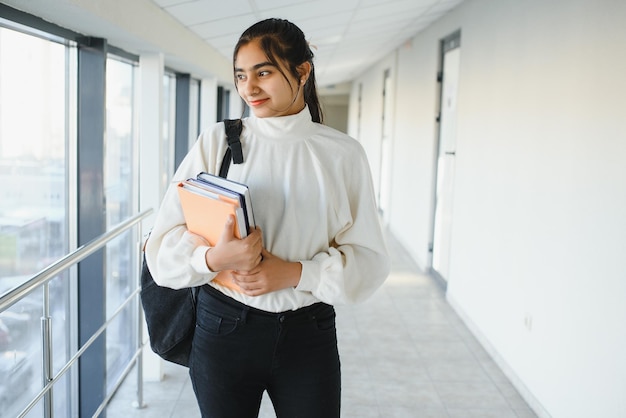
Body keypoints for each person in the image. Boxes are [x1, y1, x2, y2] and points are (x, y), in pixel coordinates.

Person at [145, 17, 390, 418]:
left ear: (302, 70)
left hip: (307, 335)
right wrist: (213, 259)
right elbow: (163, 241)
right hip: (223, 329)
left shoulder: (342, 154)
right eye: (241, 75)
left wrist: (297, 273)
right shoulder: (219, 140)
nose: (249, 88)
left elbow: (370, 260)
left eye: (264, 72)